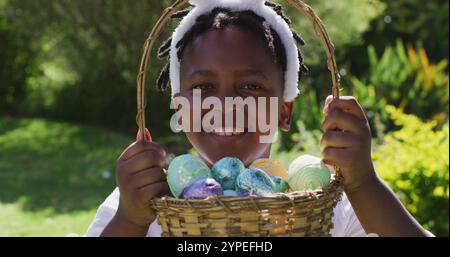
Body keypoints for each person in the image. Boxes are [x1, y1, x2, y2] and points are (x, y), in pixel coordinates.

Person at [86, 0, 431, 237]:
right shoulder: (145, 205)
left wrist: (363, 184)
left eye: (251, 86)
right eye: (203, 86)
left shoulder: (328, 205)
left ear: (284, 111)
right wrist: (129, 221)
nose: (226, 104)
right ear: (180, 108)